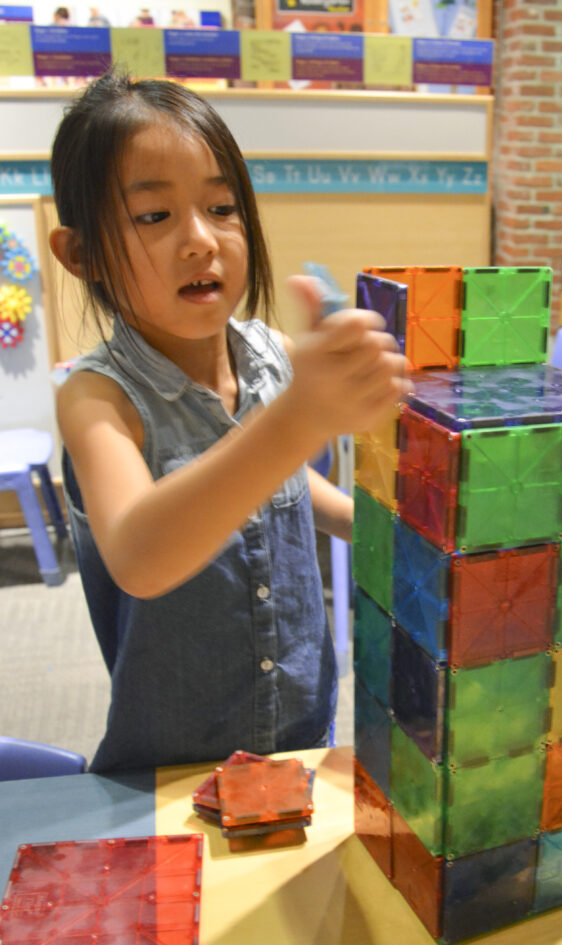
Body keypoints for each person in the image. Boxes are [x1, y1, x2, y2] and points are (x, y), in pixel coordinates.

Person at [49, 70, 406, 772]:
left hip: (298, 734)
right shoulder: (96, 399)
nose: (200, 241)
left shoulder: (270, 355)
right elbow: (141, 555)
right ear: (82, 254)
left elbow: (286, 479)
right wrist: (301, 417)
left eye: (220, 207)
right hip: (172, 766)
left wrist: (363, 521)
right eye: (154, 216)